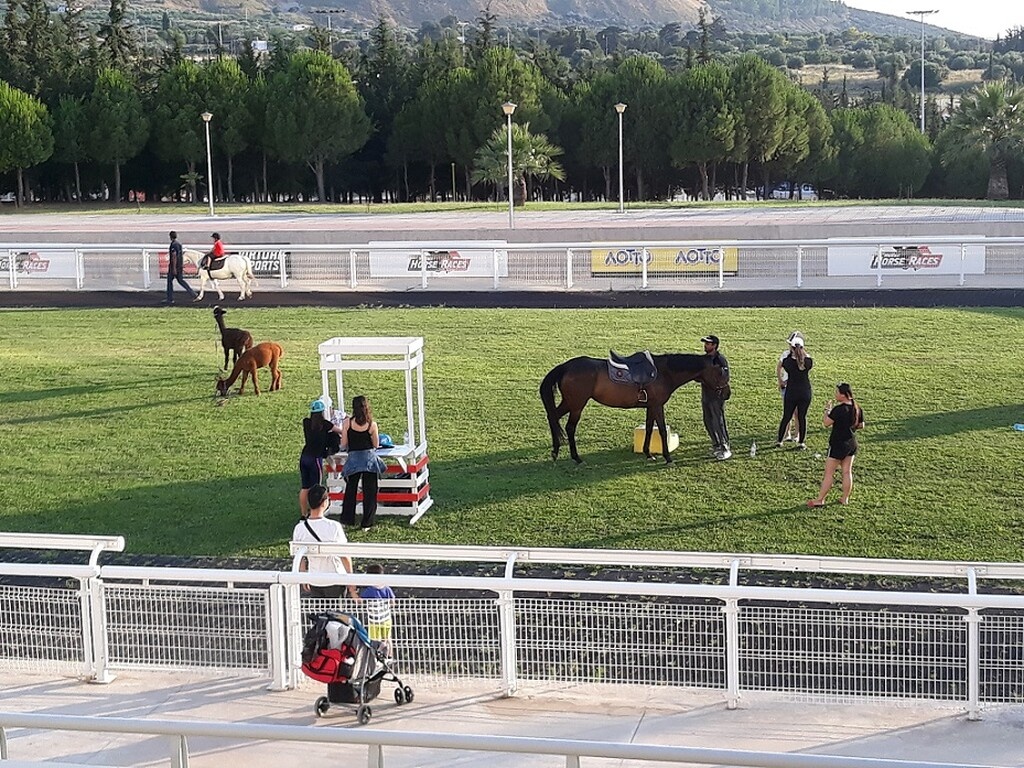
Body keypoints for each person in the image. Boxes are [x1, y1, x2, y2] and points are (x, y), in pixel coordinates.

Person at [292, 484, 360, 600]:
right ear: (324, 502)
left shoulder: (299, 528)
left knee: (320, 615)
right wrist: (351, 581)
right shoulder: (334, 527)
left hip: (314, 578)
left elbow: (300, 558)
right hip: (335, 578)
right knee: (336, 615)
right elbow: (344, 556)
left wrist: (304, 577)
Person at [808, 382, 865, 508]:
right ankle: (845, 498)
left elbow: (826, 423)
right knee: (847, 472)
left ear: (844, 395)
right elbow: (861, 425)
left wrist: (827, 410)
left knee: (829, 473)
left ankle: (820, 499)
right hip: (851, 444)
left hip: (838, 444)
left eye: (837, 392)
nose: (836, 395)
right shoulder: (857, 408)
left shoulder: (839, 409)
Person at [340, 395, 384, 530]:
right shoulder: (372, 424)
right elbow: (376, 444)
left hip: (353, 460)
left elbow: (343, 444)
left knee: (350, 490)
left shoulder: (347, 423)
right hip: (368, 461)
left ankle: (347, 520)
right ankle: (367, 522)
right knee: (370, 492)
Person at [299, 399, 343, 516]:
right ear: (323, 412)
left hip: (304, 457)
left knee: (305, 488)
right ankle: (316, 513)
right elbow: (340, 431)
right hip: (315, 459)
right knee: (316, 489)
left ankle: (304, 514)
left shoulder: (306, 423)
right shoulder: (325, 424)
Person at [775, 335, 813, 450]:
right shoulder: (807, 361)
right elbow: (807, 360)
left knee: (786, 416)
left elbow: (784, 363)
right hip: (805, 392)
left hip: (792, 391)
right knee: (802, 417)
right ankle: (801, 442)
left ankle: (780, 440)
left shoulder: (788, 362)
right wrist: (802, 351)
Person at [700, 335, 731, 460]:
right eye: (705, 343)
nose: (706, 346)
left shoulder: (720, 360)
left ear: (714, 346)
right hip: (706, 394)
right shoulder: (704, 360)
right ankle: (716, 444)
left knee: (718, 421)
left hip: (716, 396)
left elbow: (725, 377)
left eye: (708, 344)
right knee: (707, 420)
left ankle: (725, 446)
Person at [359, 563, 396, 653]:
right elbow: (393, 602)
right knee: (387, 638)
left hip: (374, 620)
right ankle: (389, 655)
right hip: (387, 619)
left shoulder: (370, 590)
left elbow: (360, 601)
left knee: (374, 639)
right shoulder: (387, 588)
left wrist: (353, 592)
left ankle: (376, 655)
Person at [776, 330, 802, 441]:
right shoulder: (785, 355)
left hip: (797, 387)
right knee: (788, 412)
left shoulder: (803, 357)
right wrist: (781, 380)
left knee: (797, 412)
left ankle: (797, 434)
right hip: (787, 387)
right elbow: (779, 367)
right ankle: (787, 434)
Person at [163, 231, 197, 304]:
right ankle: (193, 294)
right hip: (179, 266)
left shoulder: (173, 245)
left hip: (174, 267)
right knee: (181, 281)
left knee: (170, 282)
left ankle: (170, 299)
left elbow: (174, 256)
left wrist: (174, 268)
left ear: (170, 237)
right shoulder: (179, 244)